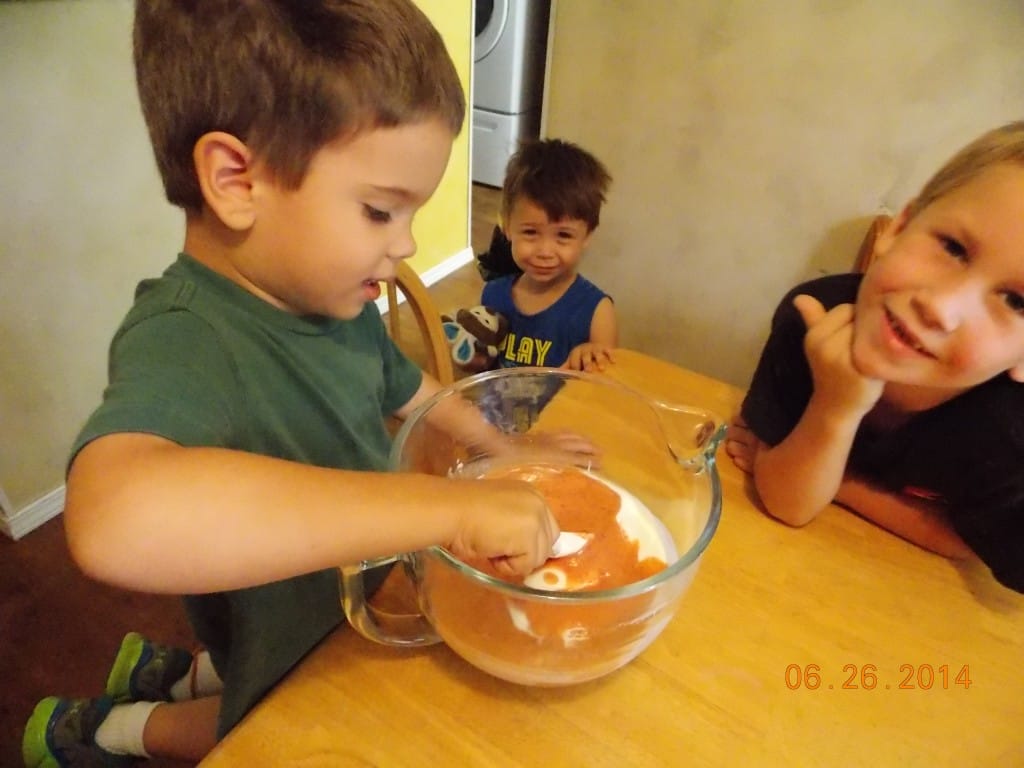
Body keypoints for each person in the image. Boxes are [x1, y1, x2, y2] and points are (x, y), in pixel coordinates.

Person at [22, 2, 590, 765]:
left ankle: (176, 673)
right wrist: (446, 507)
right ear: (236, 180)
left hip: (352, 596)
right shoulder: (186, 336)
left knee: (244, 676)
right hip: (286, 631)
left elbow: (412, 391)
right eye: (380, 210)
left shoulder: (333, 299)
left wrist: (505, 449)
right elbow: (111, 516)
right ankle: (110, 731)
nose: (408, 242)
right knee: (252, 715)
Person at [726, 121, 1024, 594]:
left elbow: (973, 546)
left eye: (1015, 301)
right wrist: (836, 404)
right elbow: (787, 501)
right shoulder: (814, 318)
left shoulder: (1009, 433)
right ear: (899, 228)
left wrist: (839, 484)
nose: (941, 307)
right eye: (952, 247)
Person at [481, 139, 617, 372]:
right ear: (507, 227)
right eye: (531, 232)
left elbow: (605, 389)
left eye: (563, 235)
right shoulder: (492, 294)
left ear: (586, 236)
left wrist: (590, 357)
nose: (545, 252)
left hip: (564, 409)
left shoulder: (597, 311)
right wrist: (474, 357)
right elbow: (486, 370)